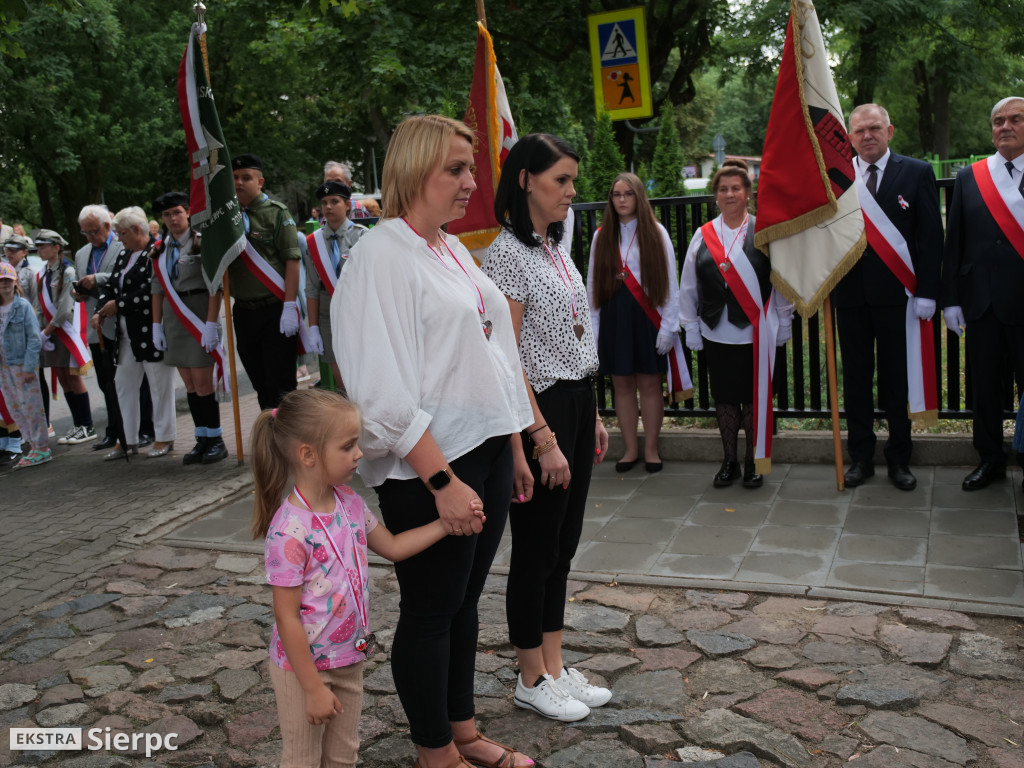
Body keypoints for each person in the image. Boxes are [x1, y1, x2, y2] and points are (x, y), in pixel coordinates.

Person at [333, 114, 534, 768]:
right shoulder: (380, 256)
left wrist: (515, 446)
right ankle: (434, 753)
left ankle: (462, 730)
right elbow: (380, 391)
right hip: (430, 468)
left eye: (470, 169)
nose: (471, 182)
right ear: (416, 169)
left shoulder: (448, 248)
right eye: (457, 168)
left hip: (485, 450)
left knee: (463, 604)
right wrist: (443, 482)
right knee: (430, 609)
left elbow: (491, 354)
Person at [251, 389, 472, 768]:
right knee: (302, 760)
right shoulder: (288, 532)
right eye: (348, 446)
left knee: (343, 756)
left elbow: (394, 546)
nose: (359, 454)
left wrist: (445, 524)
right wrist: (312, 688)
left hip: (348, 657)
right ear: (308, 454)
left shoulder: (349, 503)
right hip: (303, 670)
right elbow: (286, 618)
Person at [481, 133, 610, 723]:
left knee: (564, 542)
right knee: (535, 547)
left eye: (573, 181)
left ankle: (554, 665)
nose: (572, 192)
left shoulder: (555, 246)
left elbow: (572, 333)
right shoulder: (506, 254)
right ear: (526, 180)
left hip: (577, 399)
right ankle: (529, 674)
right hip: (542, 411)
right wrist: (542, 438)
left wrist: (594, 414)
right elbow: (507, 356)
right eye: (562, 180)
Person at [835, 104, 943, 492]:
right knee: (858, 382)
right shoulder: (838, 177)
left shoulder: (916, 172)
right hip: (850, 297)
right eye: (860, 131)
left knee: (896, 380)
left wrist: (929, 291)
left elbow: (931, 238)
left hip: (898, 298)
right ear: (849, 137)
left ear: (890, 131)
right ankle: (861, 458)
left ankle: (899, 458)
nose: (867, 136)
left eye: (874, 128)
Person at [679, 160, 793, 488]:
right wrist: (691, 326)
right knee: (726, 399)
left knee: (754, 400)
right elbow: (688, 285)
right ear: (715, 196)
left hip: (757, 333)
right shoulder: (703, 237)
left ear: (748, 194)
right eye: (723, 189)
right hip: (718, 332)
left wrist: (784, 320)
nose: (729, 194)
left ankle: (753, 461)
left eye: (736, 188)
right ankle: (729, 459)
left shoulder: (765, 231)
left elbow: (781, 279)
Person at [943, 96, 1024, 491]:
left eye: (1015, 119)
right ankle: (990, 459)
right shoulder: (970, 177)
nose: (1005, 126)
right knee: (986, 388)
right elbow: (954, 243)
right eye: (998, 121)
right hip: (982, 302)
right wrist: (952, 299)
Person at [587, 172, 680, 473]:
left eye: (628, 194)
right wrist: (594, 327)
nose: (622, 200)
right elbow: (592, 286)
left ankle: (651, 449)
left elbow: (670, 283)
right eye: (616, 195)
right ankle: (629, 449)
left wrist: (668, 326)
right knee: (622, 385)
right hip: (615, 320)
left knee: (650, 384)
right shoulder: (602, 236)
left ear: (639, 197)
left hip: (647, 319)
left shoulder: (656, 232)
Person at [150, 192, 228, 465]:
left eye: (177, 213)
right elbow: (157, 288)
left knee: (204, 382)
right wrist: (156, 326)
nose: (172, 218)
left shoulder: (201, 244)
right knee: (190, 384)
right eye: (167, 214)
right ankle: (201, 438)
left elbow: (215, 285)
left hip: (197, 315)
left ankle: (216, 439)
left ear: (187, 214)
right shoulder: (160, 249)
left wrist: (210, 323)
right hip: (174, 319)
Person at [92, 207, 176, 460]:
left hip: (150, 330)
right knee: (123, 385)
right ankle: (126, 438)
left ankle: (164, 436)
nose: (118, 238)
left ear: (137, 230)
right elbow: (111, 285)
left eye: (122, 233)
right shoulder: (124, 255)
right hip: (125, 335)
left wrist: (120, 304)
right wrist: (100, 309)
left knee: (160, 386)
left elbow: (151, 291)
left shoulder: (156, 251)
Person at [229, 154, 303, 409]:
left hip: (275, 310)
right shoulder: (227, 221)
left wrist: (290, 306)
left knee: (281, 385)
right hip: (243, 312)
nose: (239, 183)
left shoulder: (276, 213)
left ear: (260, 182)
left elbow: (292, 261)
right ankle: (270, 439)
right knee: (260, 383)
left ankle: (288, 441)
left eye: (246, 178)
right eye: (235, 178)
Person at [72, 204, 133, 452]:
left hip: (119, 325)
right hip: (95, 326)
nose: (89, 237)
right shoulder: (81, 253)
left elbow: (125, 276)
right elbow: (79, 284)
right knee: (105, 382)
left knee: (126, 382)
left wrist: (97, 279)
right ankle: (113, 430)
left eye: (93, 231)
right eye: (84, 233)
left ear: (107, 227)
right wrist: (77, 291)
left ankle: (136, 429)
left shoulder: (122, 245)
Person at [304, 181, 368, 391]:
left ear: (347, 205)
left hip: (358, 311)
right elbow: (312, 288)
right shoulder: (313, 242)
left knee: (364, 373)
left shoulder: (362, 236)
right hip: (327, 313)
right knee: (342, 380)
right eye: (324, 203)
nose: (329, 207)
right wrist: (313, 327)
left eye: (335, 201)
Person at [36, 229, 97, 445]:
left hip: (64, 331)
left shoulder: (68, 271)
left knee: (73, 377)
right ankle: (77, 424)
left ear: (56, 248)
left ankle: (87, 425)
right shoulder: (43, 273)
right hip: (50, 334)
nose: (39, 249)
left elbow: (65, 307)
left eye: (43, 246)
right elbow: (39, 306)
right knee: (62, 378)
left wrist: (47, 331)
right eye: (38, 246)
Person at [0, 262, 50, 469]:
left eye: (7, 280)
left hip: (22, 366)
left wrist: (30, 367)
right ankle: (32, 445)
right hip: (4, 368)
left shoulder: (23, 307)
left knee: (31, 407)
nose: (4, 284)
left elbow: (34, 339)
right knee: (16, 408)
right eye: (1, 281)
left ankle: (42, 447)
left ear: (15, 282)